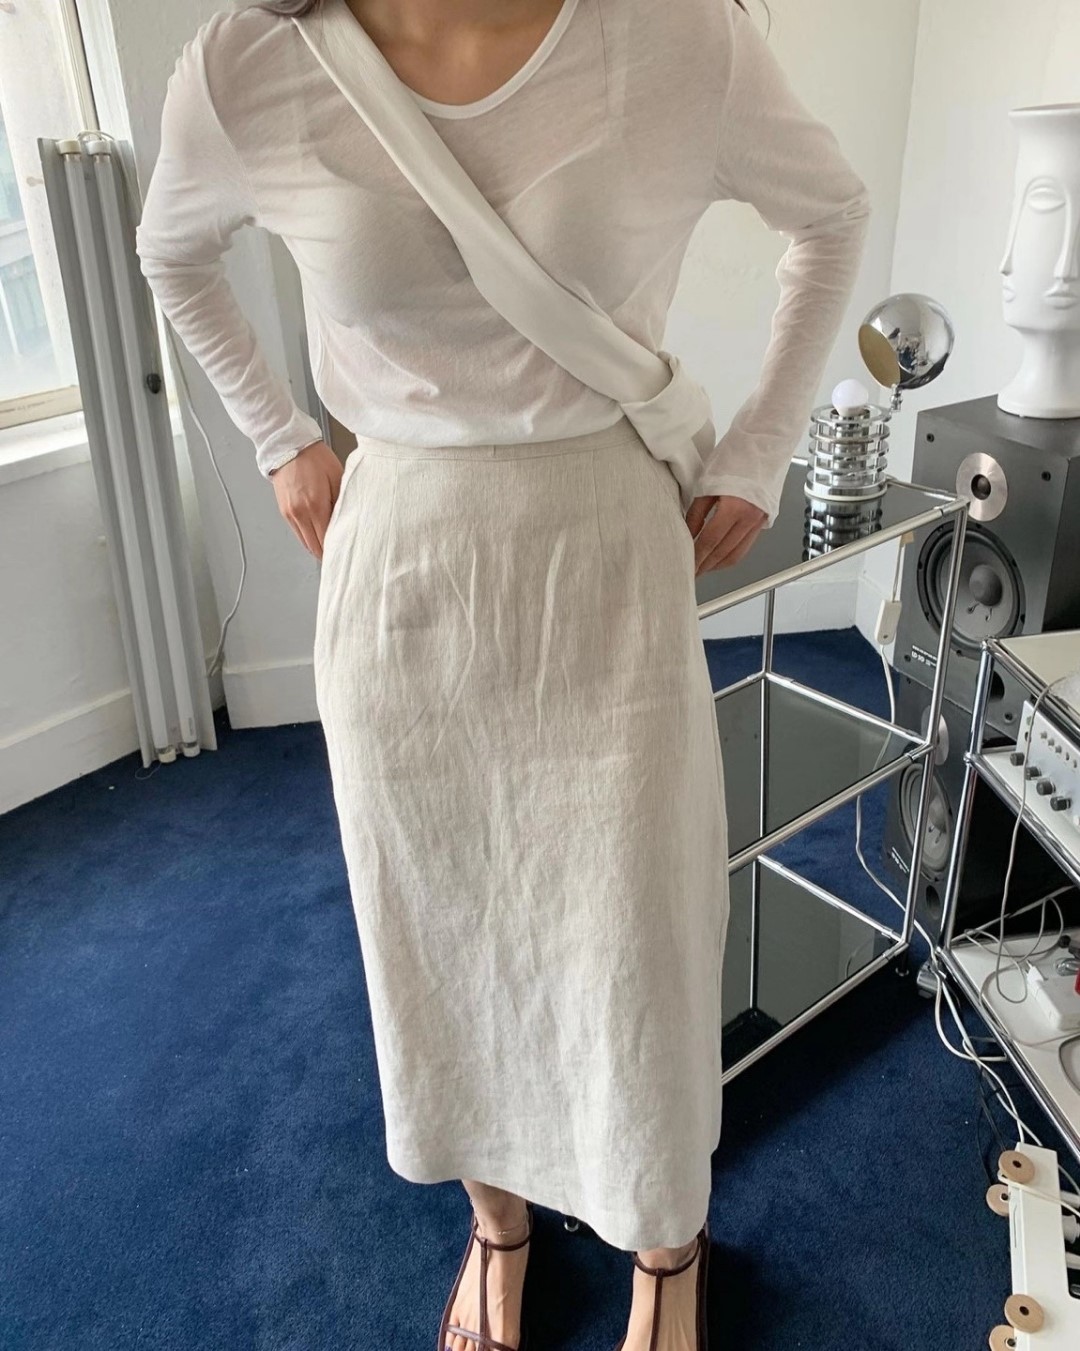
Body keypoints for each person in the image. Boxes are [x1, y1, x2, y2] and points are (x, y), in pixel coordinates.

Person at [134, 1, 870, 1347]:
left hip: (603, 547)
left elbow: (831, 217)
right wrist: (281, 435)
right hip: (403, 566)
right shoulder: (252, 59)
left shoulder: (681, 37)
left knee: (634, 927)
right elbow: (170, 250)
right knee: (442, 920)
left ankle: (664, 1243)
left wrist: (763, 445)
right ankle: (498, 1222)